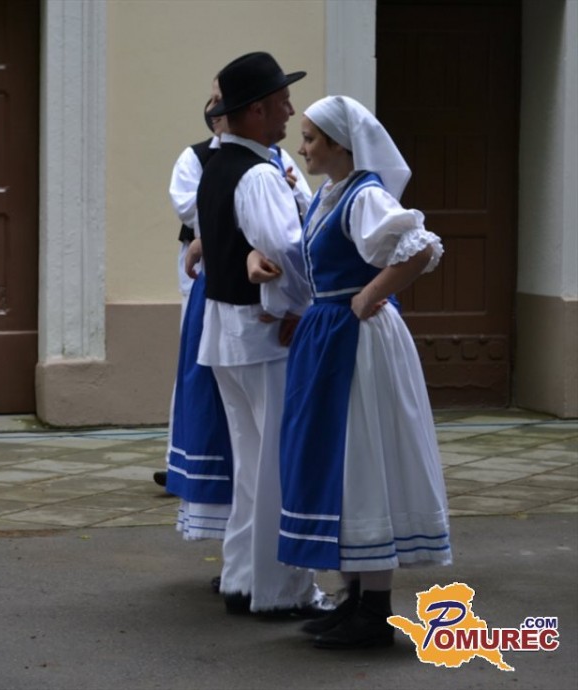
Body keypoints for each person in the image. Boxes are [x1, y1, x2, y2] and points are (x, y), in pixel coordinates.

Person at [277, 95, 452, 649]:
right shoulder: (330, 196)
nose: (302, 147)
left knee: (364, 459)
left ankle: (374, 611)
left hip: (359, 341)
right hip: (331, 335)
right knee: (341, 459)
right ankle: (355, 597)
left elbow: (419, 248)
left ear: (339, 143)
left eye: (310, 138)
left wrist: (368, 294)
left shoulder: (364, 194)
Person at [194, 51, 329, 618]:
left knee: (253, 465)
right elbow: (287, 251)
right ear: (254, 111)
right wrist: (302, 307)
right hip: (264, 334)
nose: (289, 112)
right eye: (281, 103)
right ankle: (281, 591)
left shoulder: (218, 164)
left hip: (228, 331)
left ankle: (243, 579)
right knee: (278, 465)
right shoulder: (256, 174)